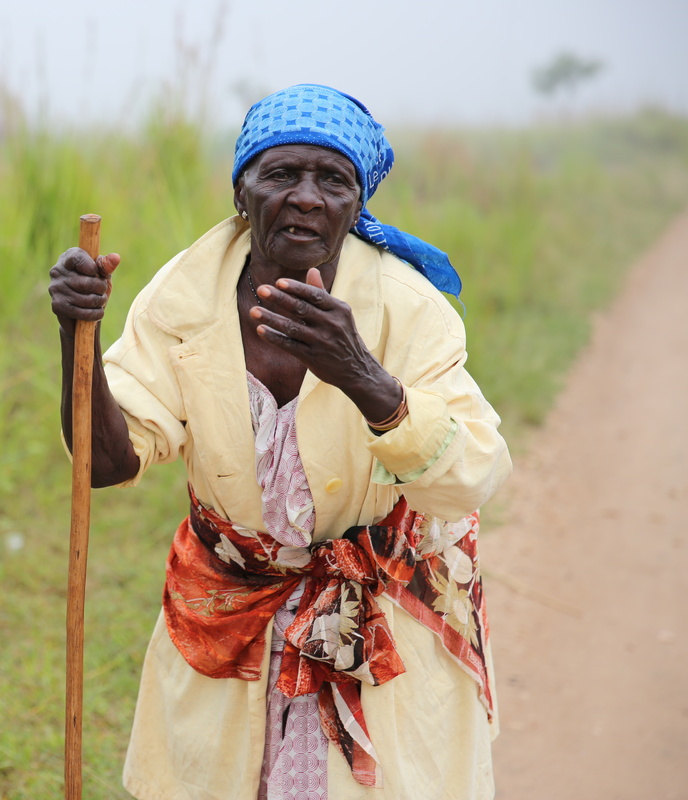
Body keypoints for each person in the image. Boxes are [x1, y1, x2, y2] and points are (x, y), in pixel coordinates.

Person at [49, 85, 512, 800]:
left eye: (332, 180)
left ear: (357, 207)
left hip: (377, 614)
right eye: (281, 175)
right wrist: (76, 336)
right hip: (229, 606)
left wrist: (363, 378)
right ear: (242, 193)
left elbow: (472, 475)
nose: (305, 197)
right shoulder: (184, 298)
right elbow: (107, 463)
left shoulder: (409, 308)